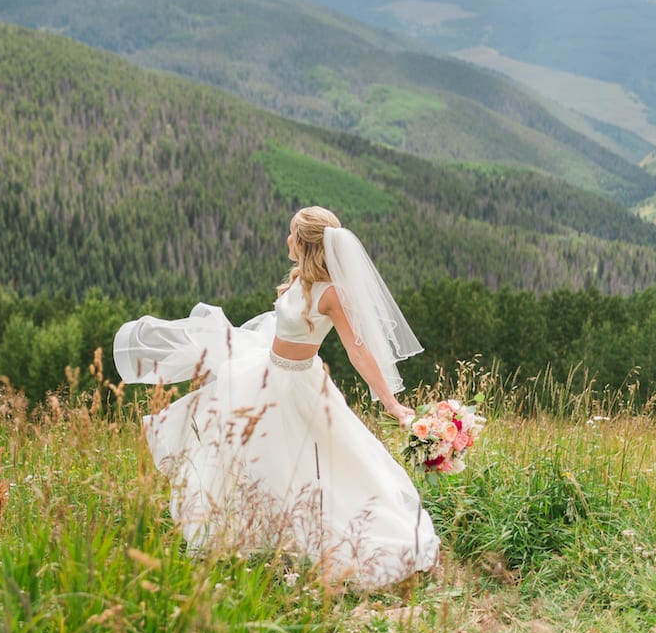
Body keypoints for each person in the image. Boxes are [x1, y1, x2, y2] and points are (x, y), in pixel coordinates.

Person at [114, 206, 439, 589]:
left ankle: (348, 536)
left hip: (300, 385)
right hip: (265, 373)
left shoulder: (330, 293)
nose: (286, 240)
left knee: (320, 463)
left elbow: (358, 349)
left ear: (304, 242)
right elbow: (281, 331)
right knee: (243, 452)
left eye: (291, 234)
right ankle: (255, 530)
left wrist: (392, 403)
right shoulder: (300, 279)